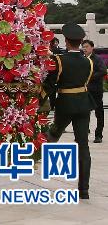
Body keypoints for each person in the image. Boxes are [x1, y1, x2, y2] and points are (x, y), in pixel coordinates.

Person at [45, 23, 94, 200]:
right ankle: (84, 189)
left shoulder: (59, 60)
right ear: (81, 42)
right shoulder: (88, 61)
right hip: (83, 104)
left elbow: (50, 84)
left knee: (55, 131)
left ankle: (43, 147)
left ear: (66, 41)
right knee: (83, 145)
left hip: (65, 103)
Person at [82, 39, 105, 144]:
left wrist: (89, 77)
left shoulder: (97, 59)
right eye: (83, 47)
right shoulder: (82, 59)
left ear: (92, 47)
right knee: (84, 112)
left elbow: (103, 71)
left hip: (96, 90)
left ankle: (98, 135)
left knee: (99, 113)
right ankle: (84, 133)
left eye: (86, 47)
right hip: (84, 91)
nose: (84, 49)